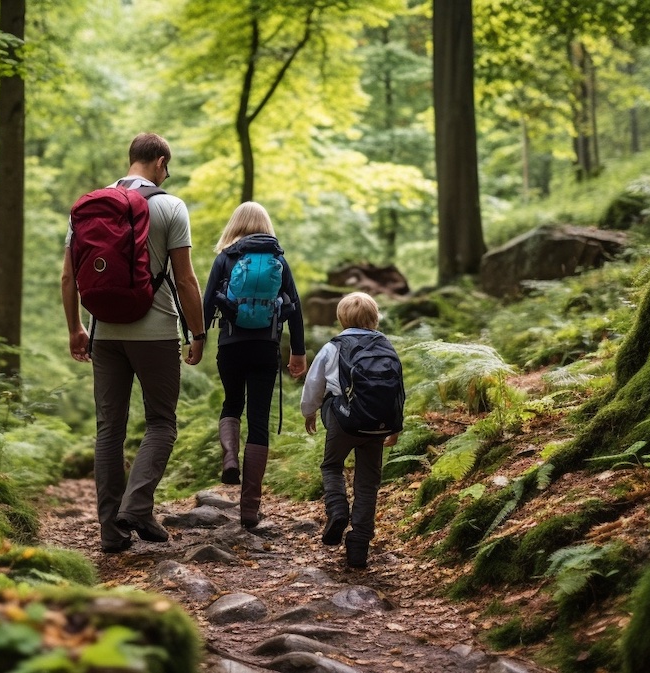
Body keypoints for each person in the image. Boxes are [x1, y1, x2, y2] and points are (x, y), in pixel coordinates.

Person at [60, 132, 207, 553]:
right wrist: (197, 334)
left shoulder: (88, 208)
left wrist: (75, 328)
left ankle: (111, 530)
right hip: (156, 332)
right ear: (160, 162)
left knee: (110, 429)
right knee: (161, 422)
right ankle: (138, 506)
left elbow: (69, 276)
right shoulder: (170, 206)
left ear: (131, 160)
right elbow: (185, 279)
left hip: (104, 333)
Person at [201, 201, 306, 529]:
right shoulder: (279, 260)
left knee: (232, 403)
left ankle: (230, 458)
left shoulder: (225, 258)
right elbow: (295, 307)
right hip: (266, 348)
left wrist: (197, 339)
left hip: (231, 347)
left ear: (234, 225)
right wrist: (298, 352)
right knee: (259, 420)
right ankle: (249, 510)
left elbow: (207, 303)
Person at [300, 292, 401, 568]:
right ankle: (359, 546)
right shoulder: (386, 345)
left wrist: (309, 411)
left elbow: (314, 383)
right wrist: (395, 425)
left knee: (332, 466)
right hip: (377, 426)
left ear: (342, 319)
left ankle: (337, 510)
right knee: (368, 484)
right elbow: (396, 389)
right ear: (374, 318)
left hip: (342, 420)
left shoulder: (334, 346)